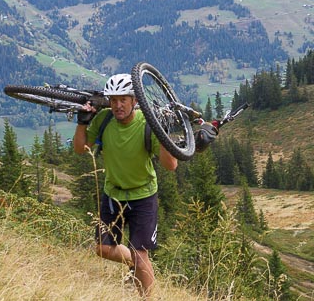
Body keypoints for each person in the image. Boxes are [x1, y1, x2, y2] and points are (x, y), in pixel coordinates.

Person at [73, 72, 220, 294]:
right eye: (114, 100)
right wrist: (82, 124)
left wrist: (162, 134)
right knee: (103, 248)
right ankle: (133, 263)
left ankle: (148, 295)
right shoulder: (104, 119)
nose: (118, 105)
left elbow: (171, 166)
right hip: (112, 194)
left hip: (142, 197)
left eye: (123, 99)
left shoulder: (147, 124)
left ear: (134, 100)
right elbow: (80, 149)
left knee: (141, 254)